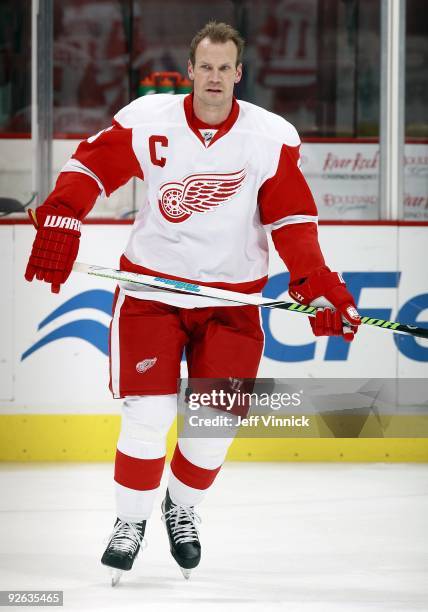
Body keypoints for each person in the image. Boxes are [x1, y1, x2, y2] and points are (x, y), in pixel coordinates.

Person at [24, 21, 361, 584]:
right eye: (204, 66)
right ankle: (129, 523)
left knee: (212, 429)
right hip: (153, 294)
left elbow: (292, 219)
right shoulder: (146, 119)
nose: (213, 77)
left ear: (238, 74)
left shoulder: (270, 137)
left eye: (224, 67)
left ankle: (181, 507)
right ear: (190, 71)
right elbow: (91, 165)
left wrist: (314, 277)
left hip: (231, 303)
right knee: (147, 418)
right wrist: (64, 210)